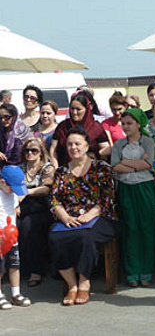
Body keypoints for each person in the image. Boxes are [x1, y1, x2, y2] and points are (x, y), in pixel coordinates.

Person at [49, 127, 117, 306]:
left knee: (86, 236)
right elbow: (55, 200)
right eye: (70, 144)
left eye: (77, 144)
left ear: (87, 146)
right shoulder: (61, 172)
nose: (73, 147)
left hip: (99, 216)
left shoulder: (101, 168)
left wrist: (90, 215)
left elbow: (107, 199)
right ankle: (72, 285)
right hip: (69, 218)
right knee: (55, 237)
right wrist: (64, 217)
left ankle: (84, 282)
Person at [111, 108, 155, 287]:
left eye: (130, 123)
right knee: (130, 228)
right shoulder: (118, 145)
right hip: (126, 188)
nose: (126, 126)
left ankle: (146, 269)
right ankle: (132, 270)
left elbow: (148, 163)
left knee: (146, 227)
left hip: (145, 188)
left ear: (139, 124)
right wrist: (136, 166)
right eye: (124, 123)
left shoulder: (148, 142)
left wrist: (126, 163)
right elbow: (115, 166)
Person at [18, 138, 55, 287]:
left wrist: (27, 192)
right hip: (24, 205)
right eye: (27, 150)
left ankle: (36, 271)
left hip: (42, 206)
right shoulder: (20, 168)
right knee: (15, 225)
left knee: (29, 226)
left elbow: (46, 188)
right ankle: (18, 267)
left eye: (34, 150)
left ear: (41, 152)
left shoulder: (47, 168)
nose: (30, 153)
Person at [50, 92, 111, 169]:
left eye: (78, 109)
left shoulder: (96, 127)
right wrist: (55, 168)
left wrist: (95, 155)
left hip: (89, 170)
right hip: (66, 170)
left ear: (87, 109)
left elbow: (106, 148)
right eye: (72, 109)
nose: (74, 112)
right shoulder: (62, 127)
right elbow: (53, 150)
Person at [0, 166, 31, 309]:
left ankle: (16, 293)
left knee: (14, 266)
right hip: (0, 238)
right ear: (2, 182)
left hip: (12, 238)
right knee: (1, 269)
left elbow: (17, 201)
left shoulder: (12, 195)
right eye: (12, 187)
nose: (14, 191)